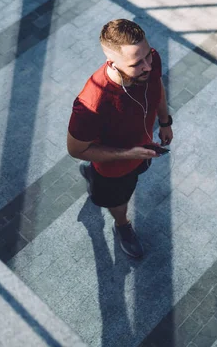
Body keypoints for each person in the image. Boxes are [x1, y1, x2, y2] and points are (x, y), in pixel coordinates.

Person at [67, 19, 174, 258]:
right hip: (114, 169)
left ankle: (90, 171)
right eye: (137, 63)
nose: (148, 65)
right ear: (112, 63)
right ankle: (122, 225)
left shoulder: (149, 62)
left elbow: (157, 87)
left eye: (148, 55)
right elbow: (76, 150)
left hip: (143, 151)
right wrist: (129, 154)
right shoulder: (91, 105)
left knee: (131, 178)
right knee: (120, 198)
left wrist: (165, 121)